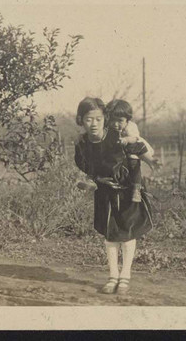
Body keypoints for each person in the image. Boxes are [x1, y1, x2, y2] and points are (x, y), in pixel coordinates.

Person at [74, 97, 154, 295]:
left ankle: (125, 276)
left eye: (98, 119)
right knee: (110, 235)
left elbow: (145, 152)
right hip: (105, 192)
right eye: (88, 119)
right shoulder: (82, 144)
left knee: (127, 233)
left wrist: (147, 163)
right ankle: (112, 276)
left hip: (128, 191)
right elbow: (84, 165)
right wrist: (94, 180)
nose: (94, 124)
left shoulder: (117, 136)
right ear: (81, 120)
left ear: (105, 119)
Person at [105, 99, 160, 202]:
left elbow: (135, 139)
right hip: (116, 152)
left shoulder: (131, 127)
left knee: (133, 158)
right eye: (112, 120)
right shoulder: (107, 127)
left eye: (120, 120)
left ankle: (136, 188)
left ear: (127, 120)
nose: (115, 124)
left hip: (133, 147)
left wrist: (126, 139)